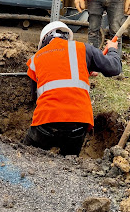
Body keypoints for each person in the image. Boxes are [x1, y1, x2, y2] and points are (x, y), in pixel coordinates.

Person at [24, 21, 122, 156]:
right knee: (69, 166)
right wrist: (112, 49)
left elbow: (35, 97)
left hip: (46, 123)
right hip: (78, 124)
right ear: (66, 36)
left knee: (24, 156)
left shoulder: (35, 59)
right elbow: (114, 68)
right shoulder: (83, 49)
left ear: (44, 41)